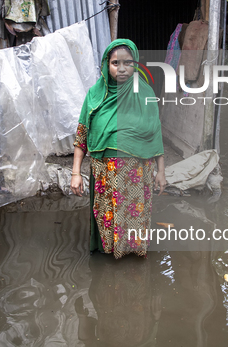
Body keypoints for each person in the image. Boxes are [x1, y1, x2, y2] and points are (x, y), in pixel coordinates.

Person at [71, 39, 166, 259]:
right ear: (107, 65)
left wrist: (161, 171)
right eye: (115, 63)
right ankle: (111, 252)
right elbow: (82, 136)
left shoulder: (144, 92)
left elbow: (155, 132)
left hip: (137, 171)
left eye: (127, 63)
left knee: (134, 214)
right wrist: (76, 173)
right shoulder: (95, 95)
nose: (122, 68)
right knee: (108, 214)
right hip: (105, 171)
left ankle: (132, 253)